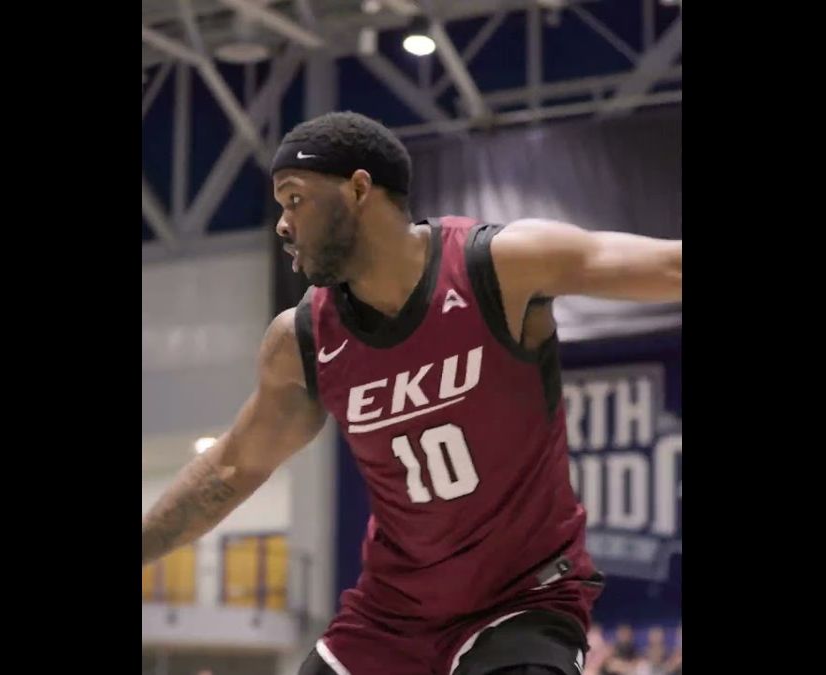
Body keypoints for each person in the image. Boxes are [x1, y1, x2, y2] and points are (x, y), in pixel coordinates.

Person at [142, 111, 682, 675]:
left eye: (294, 198)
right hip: (392, 615)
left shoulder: (496, 267)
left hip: (522, 599)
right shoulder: (301, 338)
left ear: (357, 189)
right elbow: (226, 471)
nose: (281, 223)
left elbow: (669, 269)